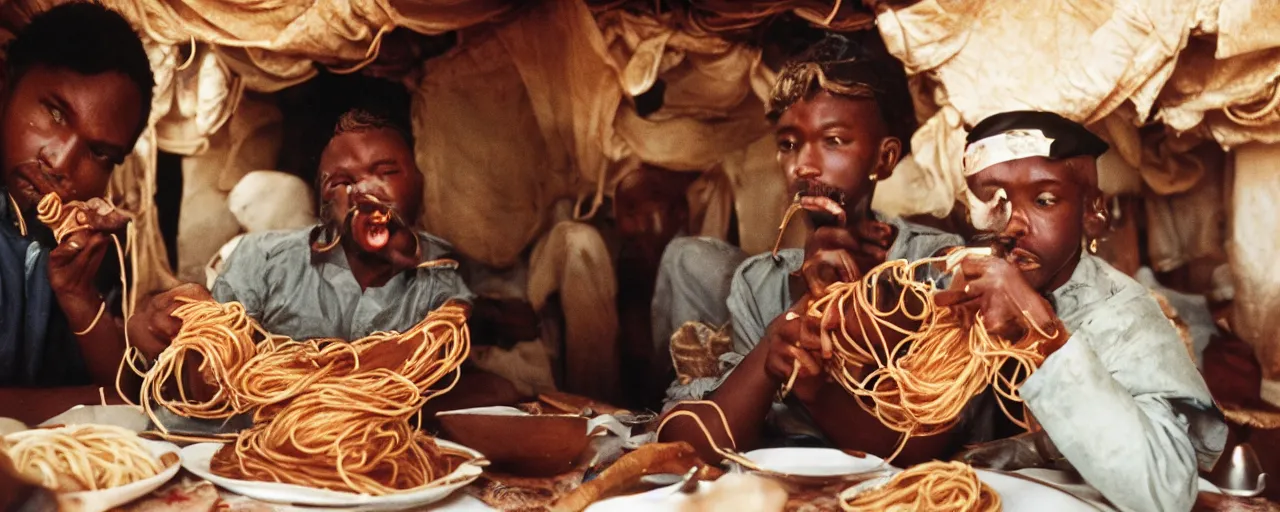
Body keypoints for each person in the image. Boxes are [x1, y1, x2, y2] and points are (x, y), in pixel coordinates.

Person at [657, 35, 973, 465]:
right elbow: (707, 442)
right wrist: (791, 325)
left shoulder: (933, 264)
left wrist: (853, 328)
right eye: (788, 144)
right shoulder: (758, 280)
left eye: (834, 141)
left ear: (884, 159)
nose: (803, 165)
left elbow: (933, 439)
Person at [130, 107, 521, 415]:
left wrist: (365, 404)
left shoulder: (441, 274)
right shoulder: (262, 258)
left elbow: (465, 376)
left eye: (385, 172)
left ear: (418, 184)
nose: (365, 191)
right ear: (323, 205)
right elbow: (209, 381)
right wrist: (185, 335)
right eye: (340, 183)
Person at [928, 111, 1225, 511]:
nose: (1012, 224)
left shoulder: (1125, 316)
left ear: (1092, 212)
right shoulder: (953, 286)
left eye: (1044, 200)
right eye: (992, 202)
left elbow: (1164, 493)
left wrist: (1042, 334)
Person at [0, 3, 154, 423]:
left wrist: (79, 297)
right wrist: (99, 400)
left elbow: (123, 387)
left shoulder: (78, 246)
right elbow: (126, 403)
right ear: (7, 86)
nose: (62, 163)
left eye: (98, 153)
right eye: (54, 113)